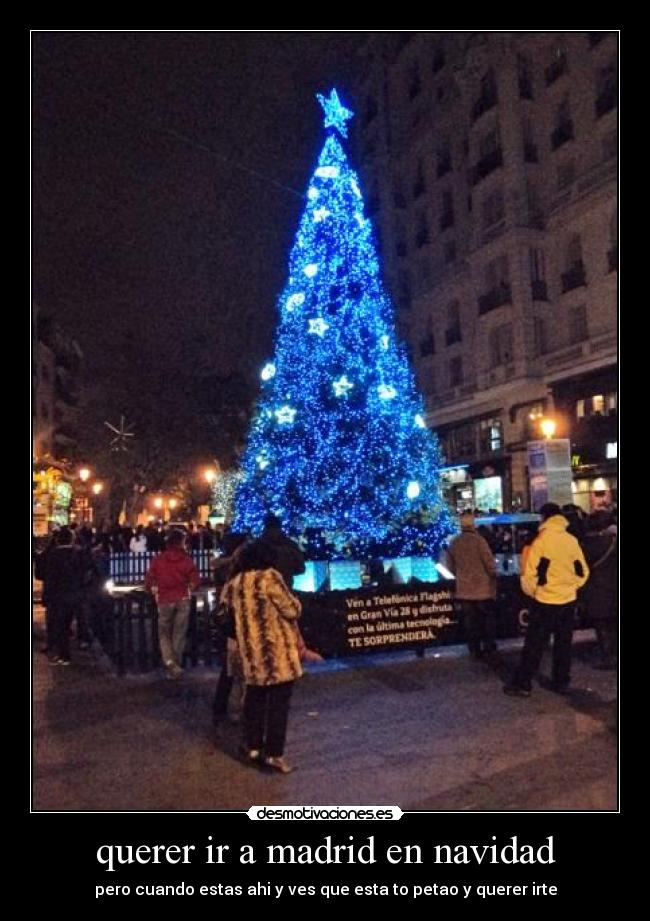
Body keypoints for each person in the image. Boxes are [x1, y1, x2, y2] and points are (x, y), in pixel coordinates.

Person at [220, 539, 303, 773]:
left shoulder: (235, 582)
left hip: (251, 651)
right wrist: (297, 602)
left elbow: (226, 610)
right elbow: (290, 609)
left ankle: (253, 745)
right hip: (276, 652)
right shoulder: (269, 578)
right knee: (278, 705)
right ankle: (274, 753)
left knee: (254, 700)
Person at [504, 503, 589, 697]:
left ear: (545, 518)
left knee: (535, 643)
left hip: (545, 600)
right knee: (563, 643)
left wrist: (534, 592)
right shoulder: (571, 540)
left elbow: (530, 573)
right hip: (568, 599)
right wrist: (571, 586)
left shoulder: (541, 541)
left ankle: (523, 684)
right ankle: (561, 681)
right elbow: (582, 571)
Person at [144, 529, 201, 679]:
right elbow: (195, 581)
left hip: (164, 599)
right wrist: (189, 588)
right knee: (179, 634)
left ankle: (170, 663)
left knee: (164, 633)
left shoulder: (158, 560)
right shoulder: (186, 560)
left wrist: (152, 590)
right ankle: (175, 664)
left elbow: (149, 580)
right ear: (181, 543)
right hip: (182, 598)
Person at [445, 511, 498, 660]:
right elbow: (489, 563)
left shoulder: (455, 542)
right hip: (482, 589)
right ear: (473, 524)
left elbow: (450, 566)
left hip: (464, 589)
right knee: (486, 619)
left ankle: (474, 649)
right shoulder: (479, 541)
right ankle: (489, 646)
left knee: (470, 622)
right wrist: (493, 575)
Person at [41, 527, 87, 665]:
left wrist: (47, 595)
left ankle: (63, 655)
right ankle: (83, 641)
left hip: (60, 595)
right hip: (76, 593)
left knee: (61, 626)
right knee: (79, 620)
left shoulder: (54, 555)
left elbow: (50, 578)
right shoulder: (78, 554)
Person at [582, 510, 618, 669]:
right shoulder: (613, 540)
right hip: (615, 589)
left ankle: (608, 657)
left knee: (602, 625)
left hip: (598, 590)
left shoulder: (592, 544)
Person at [258, 513, 306, 588]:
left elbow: (300, 568)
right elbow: (300, 568)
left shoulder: (258, 545)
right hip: (276, 588)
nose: (272, 531)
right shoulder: (289, 545)